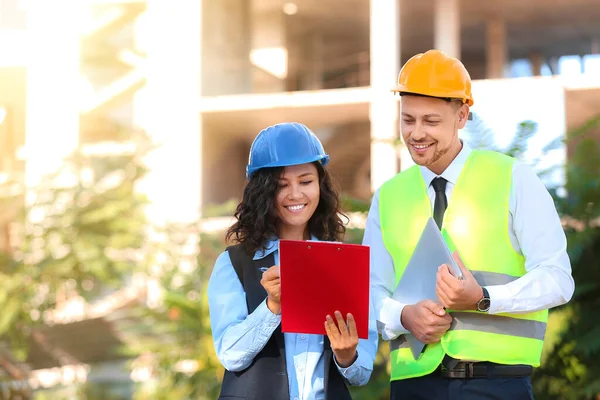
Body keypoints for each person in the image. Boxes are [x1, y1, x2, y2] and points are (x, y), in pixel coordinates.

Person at [363, 49, 575, 400]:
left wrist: (484, 298)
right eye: (408, 119)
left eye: (431, 121)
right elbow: (370, 291)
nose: (416, 133)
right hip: (413, 386)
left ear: (462, 115)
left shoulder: (513, 178)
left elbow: (557, 278)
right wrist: (404, 316)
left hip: (497, 384)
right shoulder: (387, 197)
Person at [208, 122, 378, 400]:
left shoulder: (345, 264)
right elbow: (230, 355)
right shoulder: (234, 264)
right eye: (281, 185)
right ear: (262, 192)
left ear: (320, 186)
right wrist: (272, 306)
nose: (296, 194)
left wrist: (347, 355)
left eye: (306, 181)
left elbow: (361, 373)